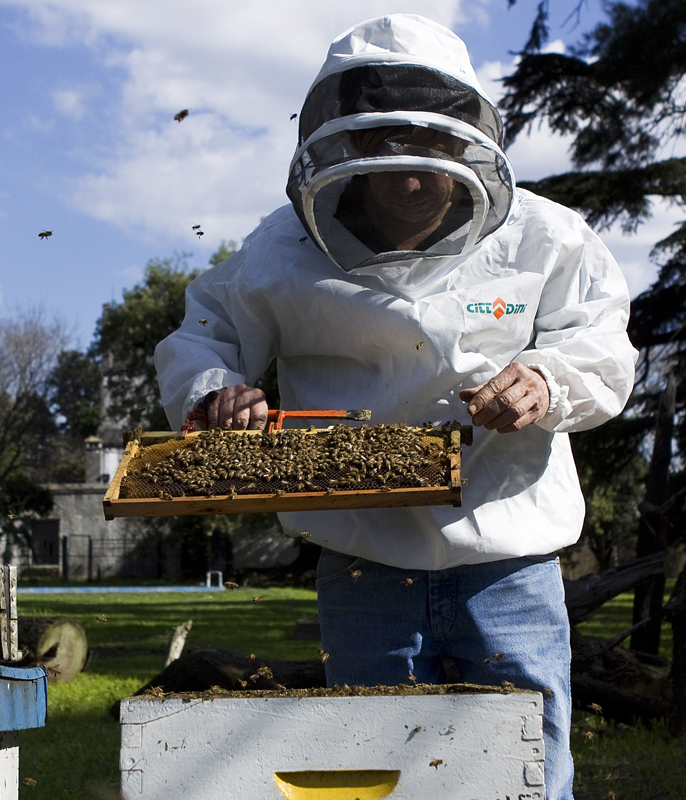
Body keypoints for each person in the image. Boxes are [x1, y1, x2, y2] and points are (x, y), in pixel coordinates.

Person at [154, 14, 637, 800]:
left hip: (507, 557)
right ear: (346, 147)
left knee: (528, 773)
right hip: (363, 559)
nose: (413, 178)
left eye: (434, 151)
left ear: (467, 141)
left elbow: (604, 345)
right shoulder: (282, 249)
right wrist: (216, 393)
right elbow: (200, 338)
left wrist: (547, 380)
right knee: (381, 769)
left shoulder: (546, 237)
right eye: (389, 153)